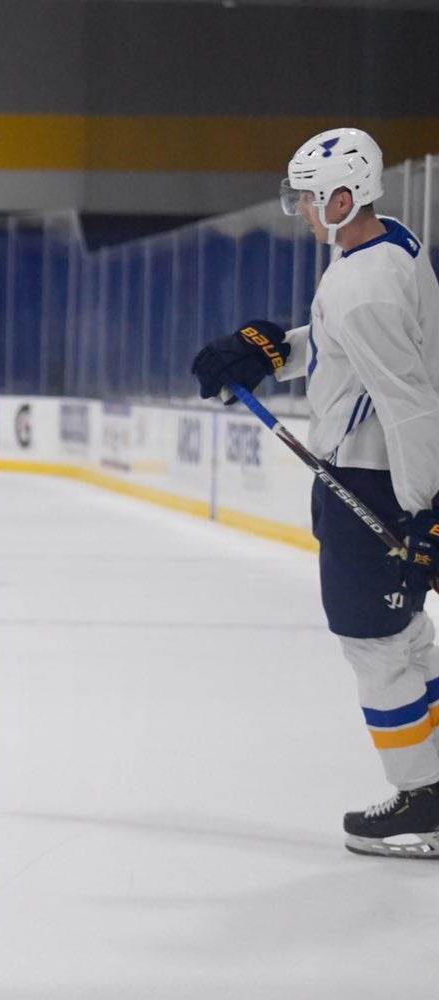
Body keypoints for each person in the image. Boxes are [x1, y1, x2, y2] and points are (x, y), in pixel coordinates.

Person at [192, 127, 439, 860]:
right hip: (375, 474)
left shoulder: (362, 285)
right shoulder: (383, 243)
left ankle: (423, 804)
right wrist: (278, 352)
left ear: (340, 197)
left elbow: (410, 401)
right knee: (405, 641)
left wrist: (427, 508)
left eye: (306, 196)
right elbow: (351, 353)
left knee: (373, 640)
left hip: (377, 481)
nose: (298, 208)